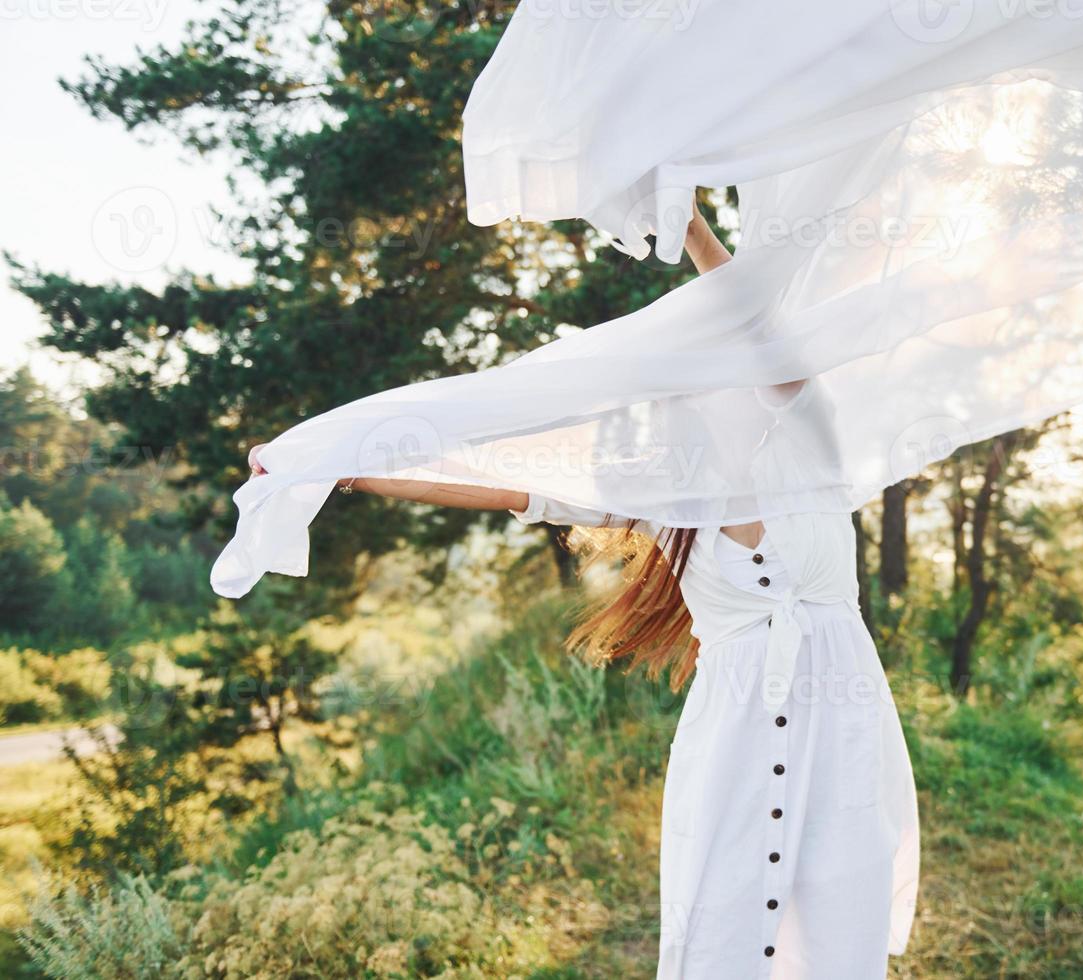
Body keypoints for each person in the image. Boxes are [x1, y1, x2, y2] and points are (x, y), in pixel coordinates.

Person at [247, 206, 920, 980]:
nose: (708, 391)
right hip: (732, 737)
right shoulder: (669, 504)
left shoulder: (814, 449)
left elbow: (763, 332)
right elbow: (499, 487)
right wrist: (339, 468)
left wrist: (694, 226)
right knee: (724, 915)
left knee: (835, 917)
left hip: (842, 725)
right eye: (690, 385)